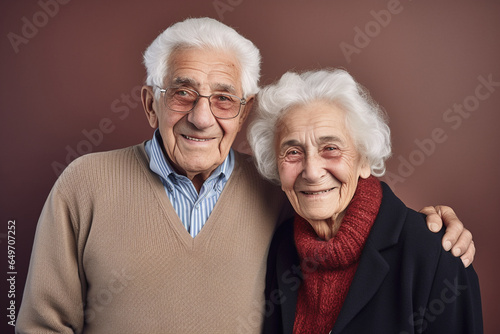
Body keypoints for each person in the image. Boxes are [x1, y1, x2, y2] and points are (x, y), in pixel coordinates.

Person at [16, 18, 474, 333]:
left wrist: (436, 226)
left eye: (222, 98)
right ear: (149, 103)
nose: (201, 117)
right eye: (182, 92)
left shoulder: (276, 192)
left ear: (244, 110)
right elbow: (40, 325)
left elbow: (359, 216)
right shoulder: (84, 185)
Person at [248, 69, 483, 334]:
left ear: (364, 160)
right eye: (293, 152)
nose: (312, 172)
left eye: (331, 148)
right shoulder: (282, 247)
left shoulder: (435, 254)